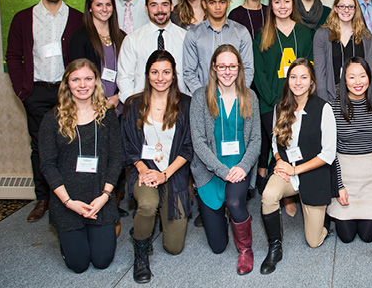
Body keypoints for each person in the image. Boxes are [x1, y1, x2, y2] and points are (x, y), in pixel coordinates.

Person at [6, 0, 83, 222]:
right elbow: (14, 56)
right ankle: (44, 198)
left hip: (68, 94)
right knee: (40, 147)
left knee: (72, 144)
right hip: (36, 92)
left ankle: (71, 194)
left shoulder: (76, 18)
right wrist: (22, 90)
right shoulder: (23, 18)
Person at [38, 59, 121, 273]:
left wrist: (104, 196)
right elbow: (47, 165)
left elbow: (116, 158)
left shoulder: (107, 115)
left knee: (102, 261)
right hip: (67, 201)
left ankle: (105, 229)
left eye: (88, 79)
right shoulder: (51, 119)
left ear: (96, 82)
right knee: (79, 265)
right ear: (67, 83)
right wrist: (68, 202)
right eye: (76, 79)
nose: (82, 85)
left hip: (99, 199)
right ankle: (70, 241)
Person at [121, 50, 192, 284]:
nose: (160, 77)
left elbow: (188, 148)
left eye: (166, 72)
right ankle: (141, 252)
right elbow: (129, 146)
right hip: (143, 169)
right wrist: (143, 169)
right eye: (154, 72)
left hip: (173, 172)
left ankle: (152, 220)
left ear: (173, 76)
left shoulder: (186, 104)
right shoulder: (133, 104)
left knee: (174, 247)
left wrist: (164, 175)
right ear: (147, 74)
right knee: (148, 204)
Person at [259, 58, 336, 274]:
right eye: (293, 77)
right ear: (288, 80)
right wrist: (278, 160)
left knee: (314, 241)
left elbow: (328, 153)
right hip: (287, 169)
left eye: (303, 77)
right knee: (268, 195)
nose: (297, 82)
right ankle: (275, 246)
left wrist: (296, 170)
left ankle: (324, 219)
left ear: (312, 82)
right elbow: (275, 141)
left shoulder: (324, 109)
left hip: (313, 172)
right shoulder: (280, 107)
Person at [190, 45, 261, 275]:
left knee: (235, 202)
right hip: (210, 171)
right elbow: (198, 142)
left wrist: (242, 167)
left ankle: (245, 250)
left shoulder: (250, 96)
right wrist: (222, 170)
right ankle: (217, 215)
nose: (227, 71)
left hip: (239, 168)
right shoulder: (200, 97)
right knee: (218, 247)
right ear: (214, 67)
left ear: (239, 68)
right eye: (222, 66)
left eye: (232, 66)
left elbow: (256, 140)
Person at [252, 0, 313, 214]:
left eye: (286, 1)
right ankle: (284, 193)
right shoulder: (263, 34)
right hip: (271, 102)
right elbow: (259, 72)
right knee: (279, 145)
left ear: (293, 3)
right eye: (276, 2)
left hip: (299, 100)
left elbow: (310, 68)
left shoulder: (305, 33)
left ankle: (293, 190)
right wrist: (274, 101)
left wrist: (299, 98)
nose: (282, 6)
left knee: (297, 144)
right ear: (271, 6)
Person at [327, 57, 372, 243]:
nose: (358, 82)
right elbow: (330, 152)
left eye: (362, 76)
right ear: (344, 80)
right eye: (352, 77)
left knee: (367, 236)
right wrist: (338, 185)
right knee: (346, 237)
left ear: (370, 78)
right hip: (345, 174)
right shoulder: (333, 108)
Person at [117, 0, 189, 103]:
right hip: (143, 107)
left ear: (171, 7)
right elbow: (124, 78)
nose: (160, 10)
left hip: (179, 106)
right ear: (146, 8)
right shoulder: (132, 40)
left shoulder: (185, 38)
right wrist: (133, 106)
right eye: (154, 5)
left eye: (164, 4)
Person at [182, 0, 254, 93]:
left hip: (235, 98)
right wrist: (202, 97)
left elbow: (248, 69)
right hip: (204, 98)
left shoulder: (241, 32)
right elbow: (189, 72)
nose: (217, 7)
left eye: (222, 2)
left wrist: (238, 94)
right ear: (204, 4)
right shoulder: (194, 34)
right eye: (212, 3)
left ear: (228, 3)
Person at [68, 0, 126, 115]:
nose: (104, 9)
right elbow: (77, 76)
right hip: (90, 106)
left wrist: (118, 97)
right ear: (90, 8)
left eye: (108, 5)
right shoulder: (80, 38)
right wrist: (98, 100)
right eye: (99, 5)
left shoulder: (122, 37)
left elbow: (129, 72)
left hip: (119, 105)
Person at [313, 0, 372, 101]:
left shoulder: (365, 36)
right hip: (331, 94)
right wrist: (324, 102)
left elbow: (369, 69)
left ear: (356, 10)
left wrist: (368, 97)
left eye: (350, 7)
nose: (346, 10)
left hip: (358, 93)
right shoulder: (322, 35)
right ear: (335, 8)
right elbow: (319, 72)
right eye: (342, 6)